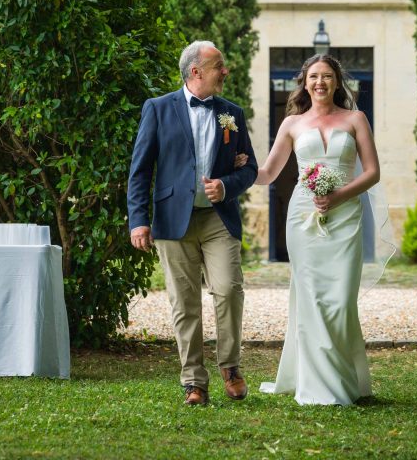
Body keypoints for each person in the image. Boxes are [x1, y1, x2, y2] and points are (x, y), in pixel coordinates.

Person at [244, 54, 380, 405]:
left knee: (339, 301)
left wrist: (339, 196)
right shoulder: (291, 123)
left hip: (346, 217)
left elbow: (372, 172)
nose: (320, 82)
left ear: (337, 81)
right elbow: (268, 173)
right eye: (313, 76)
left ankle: (343, 379)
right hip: (303, 218)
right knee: (311, 300)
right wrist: (237, 164)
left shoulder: (356, 119)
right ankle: (319, 386)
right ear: (304, 82)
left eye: (327, 76)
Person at [127, 40, 257, 406]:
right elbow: (140, 171)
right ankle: (194, 382)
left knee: (229, 289)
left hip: (218, 218)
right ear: (196, 71)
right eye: (220, 65)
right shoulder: (157, 109)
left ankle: (231, 366)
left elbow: (250, 169)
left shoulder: (232, 113)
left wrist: (226, 185)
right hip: (173, 221)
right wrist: (138, 221)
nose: (225, 71)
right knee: (184, 303)